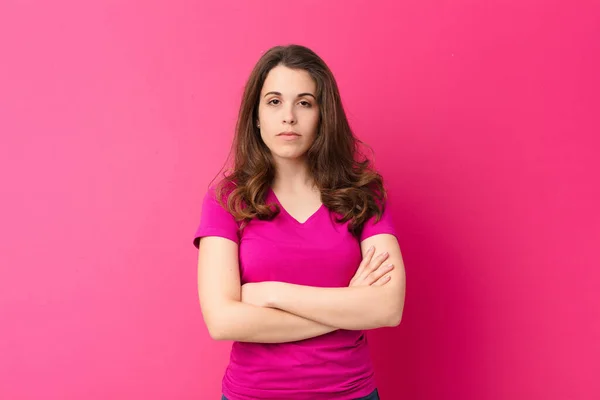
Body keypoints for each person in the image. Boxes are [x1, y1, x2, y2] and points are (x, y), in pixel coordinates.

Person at [193, 44, 406, 400]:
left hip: (351, 393)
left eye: (304, 102)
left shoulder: (362, 194)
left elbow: (388, 308)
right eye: (274, 101)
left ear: (324, 114)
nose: (288, 116)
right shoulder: (227, 199)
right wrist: (350, 305)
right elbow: (223, 321)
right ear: (256, 115)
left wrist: (272, 294)